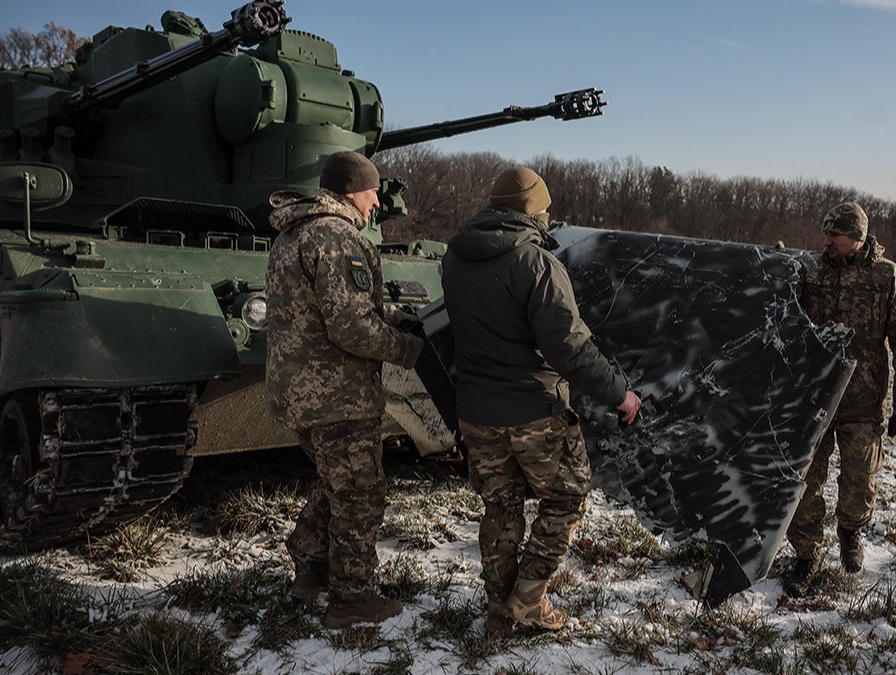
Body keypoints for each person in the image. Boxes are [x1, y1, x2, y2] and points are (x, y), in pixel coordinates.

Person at [441, 167, 642, 638]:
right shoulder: (535, 263)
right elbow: (569, 347)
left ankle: (500, 607)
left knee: (500, 506)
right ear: (534, 209)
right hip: (534, 411)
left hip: (475, 411)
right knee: (566, 498)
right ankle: (528, 600)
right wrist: (620, 393)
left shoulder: (454, 256)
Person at [265, 150, 424, 629]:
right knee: (360, 493)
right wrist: (408, 350)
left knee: (336, 480)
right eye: (373, 191)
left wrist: (393, 319)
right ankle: (352, 599)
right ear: (353, 190)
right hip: (337, 395)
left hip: (300, 392)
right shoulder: (337, 237)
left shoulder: (291, 234)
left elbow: (324, 310)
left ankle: (311, 565)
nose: (377, 202)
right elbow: (352, 327)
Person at [784, 201, 896, 595]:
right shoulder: (810, 271)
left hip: (863, 400)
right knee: (806, 482)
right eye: (825, 233)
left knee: (860, 481)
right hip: (813, 400)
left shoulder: (887, 277)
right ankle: (806, 554)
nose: (826, 240)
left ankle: (850, 532)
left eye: (834, 235)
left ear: (857, 238)